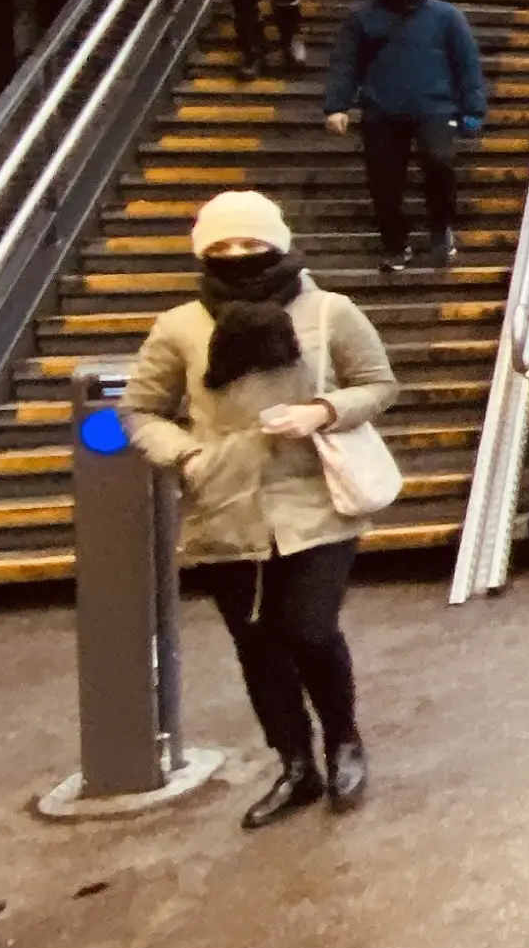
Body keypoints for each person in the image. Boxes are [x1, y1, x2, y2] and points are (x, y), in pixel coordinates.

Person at [121, 190, 398, 827]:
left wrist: (324, 411)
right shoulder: (182, 326)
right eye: (221, 247)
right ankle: (294, 765)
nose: (238, 256)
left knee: (310, 627)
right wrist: (188, 456)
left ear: (277, 243)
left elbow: (379, 383)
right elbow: (139, 408)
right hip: (225, 503)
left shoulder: (329, 311)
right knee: (257, 645)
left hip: (315, 497)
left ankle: (344, 740)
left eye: (250, 244)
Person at [324, 0, 488, 272]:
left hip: (435, 109)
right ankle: (396, 244)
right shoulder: (362, 19)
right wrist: (337, 105)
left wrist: (472, 109)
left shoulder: (445, 17)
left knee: (439, 164)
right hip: (382, 111)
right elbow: (346, 63)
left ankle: (440, 229)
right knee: (385, 183)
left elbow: (466, 64)